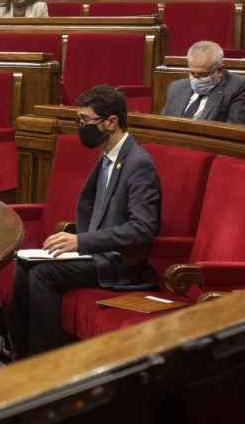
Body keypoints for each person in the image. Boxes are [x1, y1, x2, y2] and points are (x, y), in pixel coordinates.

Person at [12, 85, 161, 357]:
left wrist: (81, 241)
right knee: (24, 266)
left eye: (85, 121)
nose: (80, 127)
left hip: (119, 262)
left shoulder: (138, 163)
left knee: (43, 274)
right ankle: (20, 359)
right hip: (95, 254)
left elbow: (143, 228)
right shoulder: (107, 156)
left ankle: (47, 365)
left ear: (111, 122)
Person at [161, 41, 245, 124]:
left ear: (219, 70)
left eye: (203, 74)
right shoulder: (176, 87)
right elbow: (163, 125)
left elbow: (235, 130)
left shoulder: (237, 88)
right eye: (193, 73)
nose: (196, 79)